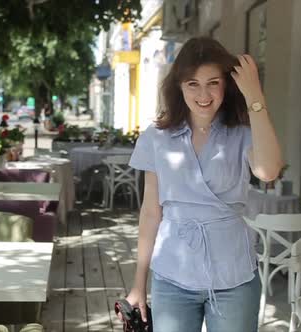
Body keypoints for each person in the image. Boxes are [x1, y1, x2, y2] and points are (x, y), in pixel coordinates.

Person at [120, 37, 283, 332]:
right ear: (179, 86)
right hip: (173, 273)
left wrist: (255, 96)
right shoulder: (156, 138)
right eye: (193, 83)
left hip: (233, 273)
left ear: (226, 85)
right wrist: (138, 283)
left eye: (213, 82)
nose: (204, 94)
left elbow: (268, 171)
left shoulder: (242, 132)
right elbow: (150, 212)